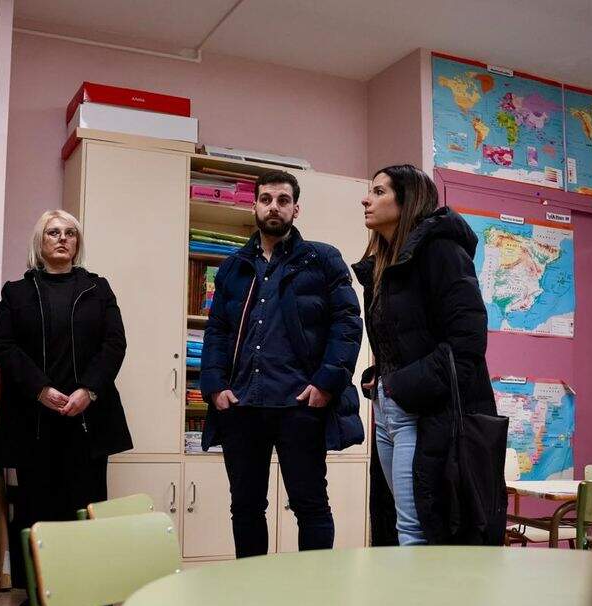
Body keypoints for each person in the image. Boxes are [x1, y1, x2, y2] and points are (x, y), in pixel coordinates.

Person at [200, 170, 364, 558]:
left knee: (310, 506)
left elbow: (347, 325)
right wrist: (214, 385)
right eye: (266, 199)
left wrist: (326, 383)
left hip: (299, 405)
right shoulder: (233, 267)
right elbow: (217, 331)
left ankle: (313, 596)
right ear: (254, 205)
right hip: (242, 406)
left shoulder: (322, 260)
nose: (274, 206)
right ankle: (253, 592)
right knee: (245, 507)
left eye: (283, 200)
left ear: (296, 208)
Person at [0, 209, 132, 606]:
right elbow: (4, 347)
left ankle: (95, 594)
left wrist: (88, 390)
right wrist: (40, 390)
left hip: (87, 418)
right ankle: (39, 595)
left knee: (88, 508)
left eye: (70, 233)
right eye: (53, 232)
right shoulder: (16, 292)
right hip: (33, 420)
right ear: (40, 242)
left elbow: (114, 344)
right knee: (35, 510)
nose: (62, 239)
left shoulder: (97, 289)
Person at [352, 164, 499, 545]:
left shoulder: (442, 252)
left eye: (380, 192)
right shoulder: (383, 266)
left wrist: (399, 384)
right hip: (391, 410)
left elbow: (467, 343)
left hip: (426, 411)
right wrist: (380, 373)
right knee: (399, 524)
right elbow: (405, 338)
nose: (366, 199)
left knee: (418, 529)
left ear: (408, 200)